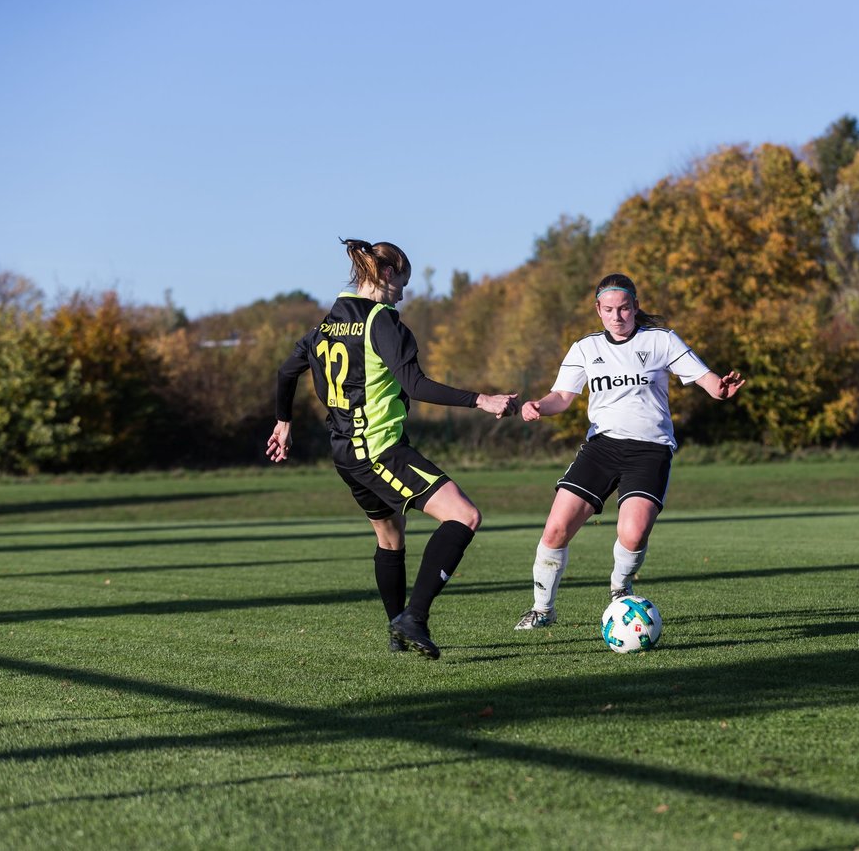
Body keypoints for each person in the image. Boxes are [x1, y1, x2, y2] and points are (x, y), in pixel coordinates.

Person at [267, 238, 517, 659]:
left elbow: (285, 371)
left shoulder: (324, 326)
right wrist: (482, 399)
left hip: (345, 454)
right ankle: (412, 618)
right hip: (380, 450)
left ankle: (397, 631)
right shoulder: (382, 322)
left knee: (390, 537)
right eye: (402, 282)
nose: (403, 292)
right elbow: (415, 385)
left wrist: (283, 420)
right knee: (464, 515)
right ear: (385, 274)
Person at [513, 273, 745, 629]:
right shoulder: (586, 348)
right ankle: (542, 610)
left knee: (633, 534)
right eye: (608, 310)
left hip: (649, 450)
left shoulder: (661, 341)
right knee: (556, 529)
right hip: (601, 448)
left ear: (635, 307)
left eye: (624, 308)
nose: (617, 316)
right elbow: (561, 397)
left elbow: (706, 379)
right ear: (598, 310)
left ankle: (620, 588)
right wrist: (538, 406)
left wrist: (720, 389)